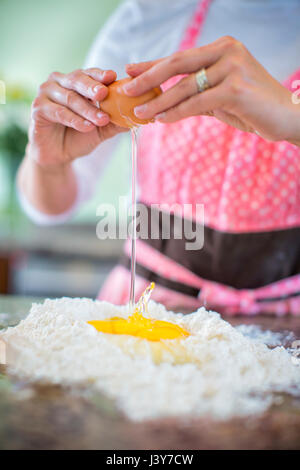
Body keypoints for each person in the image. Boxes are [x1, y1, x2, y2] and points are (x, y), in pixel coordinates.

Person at [18, 0, 300, 315]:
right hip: (147, 308)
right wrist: (48, 162)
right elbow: (51, 208)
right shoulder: (148, 16)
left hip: (287, 321)